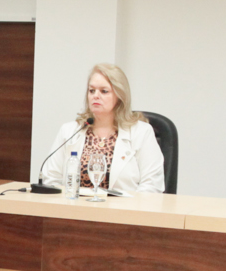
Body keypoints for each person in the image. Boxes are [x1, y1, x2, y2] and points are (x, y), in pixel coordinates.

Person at [38, 63, 164, 193]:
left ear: (120, 96)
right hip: (74, 209)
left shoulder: (141, 132)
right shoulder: (69, 131)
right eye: (92, 90)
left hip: (122, 210)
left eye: (104, 91)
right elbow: (51, 179)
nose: (95, 96)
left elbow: (152, 185)